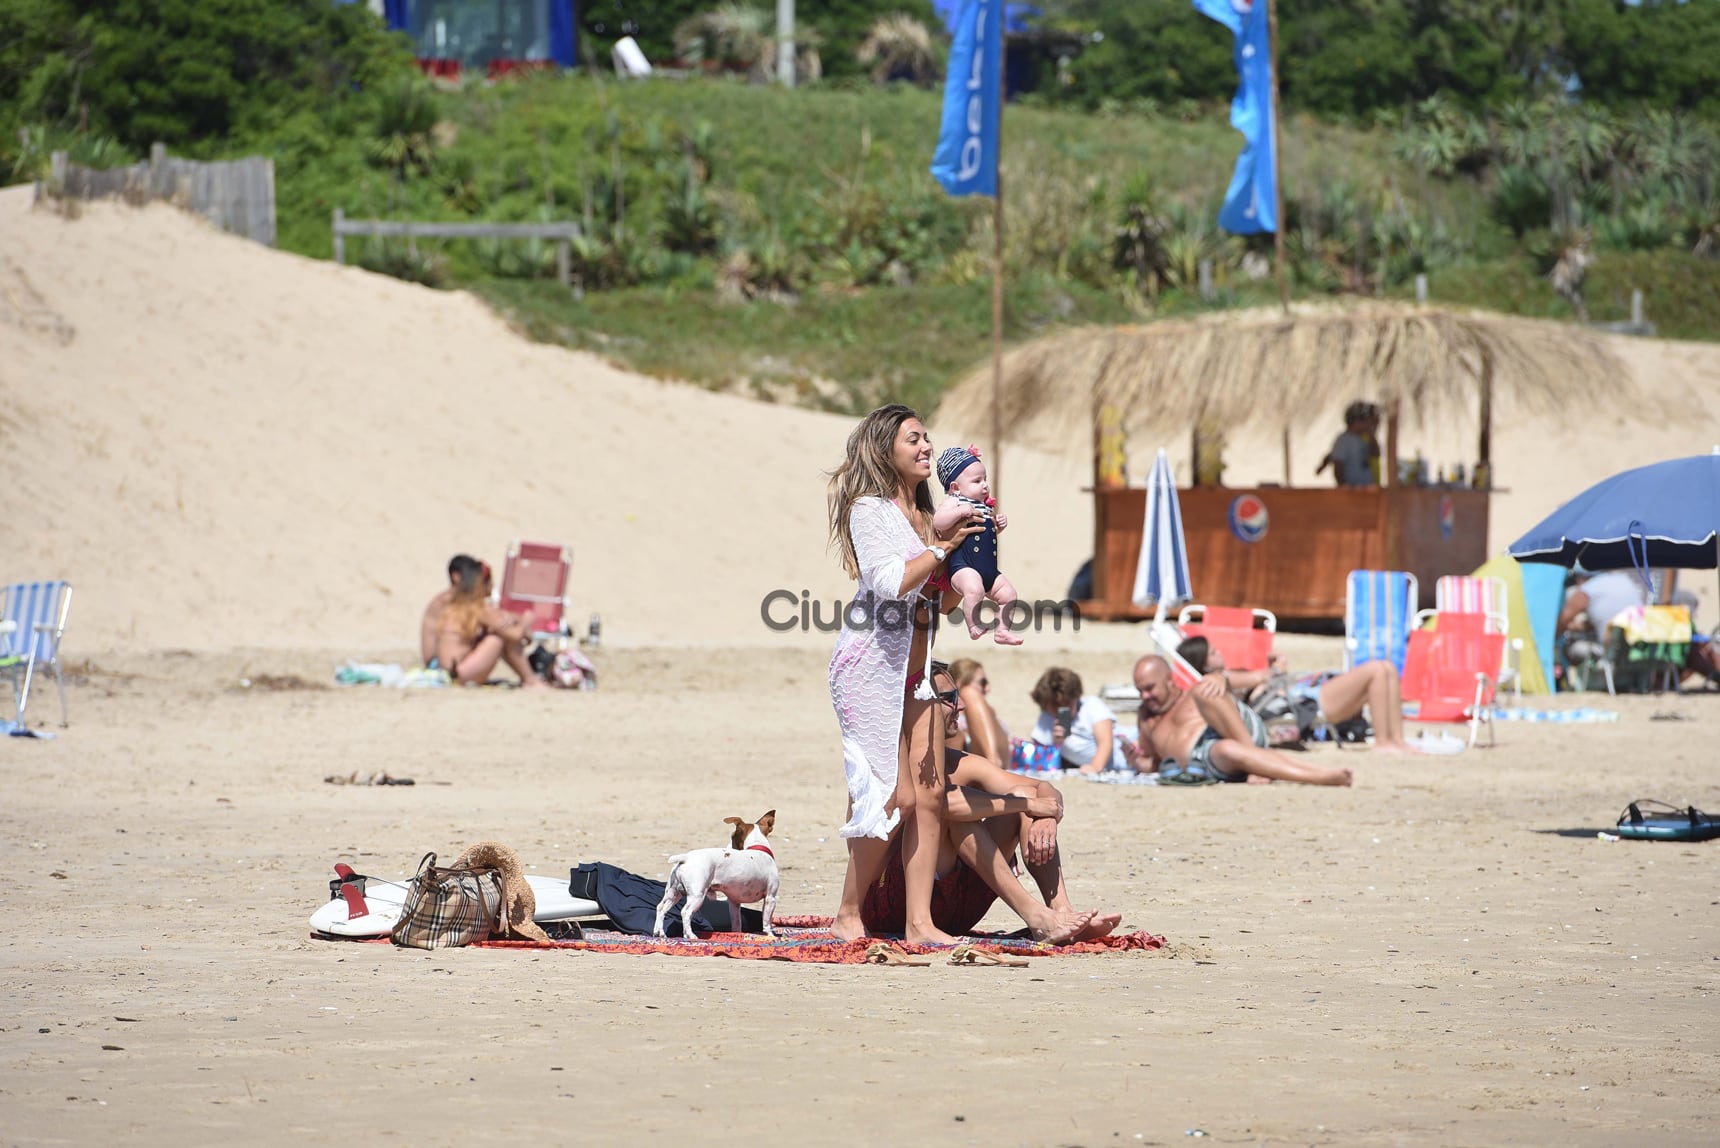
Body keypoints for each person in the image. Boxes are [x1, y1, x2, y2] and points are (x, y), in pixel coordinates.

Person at [826, 404, 990, 946]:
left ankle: (921, 923)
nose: (925, 448)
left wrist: (968, 576)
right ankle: (849, 912)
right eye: (913, 439)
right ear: (885, 449)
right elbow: (889, 582)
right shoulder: (869, 509)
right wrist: (941, 549)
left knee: (928, 795)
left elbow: (932, 604)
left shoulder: (929, 513)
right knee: (888, 793)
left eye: (927, 439)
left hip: (916, 671)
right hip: (869, 667)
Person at [861, 664, 1117, 943]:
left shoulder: (958, 760)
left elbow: (1044, 788)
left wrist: (1046, 815)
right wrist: (1023, 803)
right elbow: (939, 805)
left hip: (958, 905)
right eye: (949, 699)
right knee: (968, 816)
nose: (960, 707)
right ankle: (1036, 917)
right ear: (919, 707)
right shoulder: (895, 760)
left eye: (959, 695)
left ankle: (1061, 913)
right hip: (894, 903)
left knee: (1022, 799)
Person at [1126, 655, 1353, 785]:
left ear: (1169, 679)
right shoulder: (1146, 718)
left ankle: (1263, 762)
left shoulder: (1191, 695)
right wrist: (1136, 762)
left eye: (1149, 689)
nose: (1145, 697)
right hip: (1205, 759)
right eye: (1139, 691)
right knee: (1227, 750)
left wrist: (1219, 678)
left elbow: (1239, 682)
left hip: (1240, 731)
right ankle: (1322, 776)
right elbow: (1154, 764)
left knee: (1204, 689)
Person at [1176, 635, 1420, 752]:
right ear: (1204, 664)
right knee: (1377, 670)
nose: (1220, 652)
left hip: (1304, 697)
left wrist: (1274, 667)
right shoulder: (1217, 680)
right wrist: (1275, 667)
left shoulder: (1224, 677)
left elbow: (1266, 676)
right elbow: (1263, 676)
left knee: (1386, 668)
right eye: (1213, 652)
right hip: (1308, 702)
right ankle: (1384, 741)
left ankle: (1397, 740)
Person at [932, 445, 1021, 644]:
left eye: (985, 479)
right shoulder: (954, 502)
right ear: (955, 488)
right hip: (963, 566)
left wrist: (998, 525)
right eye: (977, 481)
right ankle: (973, 625)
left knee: (1009, 594)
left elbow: (984, 531)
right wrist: (960, 512)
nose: (985, 486)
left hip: (989, 570)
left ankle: (1002, 630)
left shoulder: (983, 506)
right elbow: (939, 521)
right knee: (974, 590)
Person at [434, 559, 547, 688]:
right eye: (489, 582)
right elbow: (515, 635)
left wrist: (515, 621)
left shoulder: (459, 605)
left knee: (497, 633)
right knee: (498, 638)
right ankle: (530, 680)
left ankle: (529, 679)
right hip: (461, 673)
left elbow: (504, 618)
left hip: (447, 672)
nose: (492, 586)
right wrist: (526, 621)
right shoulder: (479, 609)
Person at [1027, 667, 1128, 773]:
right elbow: (1041, 755)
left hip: (1122, 759)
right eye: (1054, 706)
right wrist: (1056, 744)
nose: (1060, 710)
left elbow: (1105, 742)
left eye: (1066, 705)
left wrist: (1095, 767)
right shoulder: (1046, 718)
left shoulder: (1092, 706)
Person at [421, 553, 484, 667]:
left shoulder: (451, 599)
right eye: (472, 578)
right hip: (436, 664)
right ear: (456, 577)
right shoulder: (447, 601)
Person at [948, 658, 1007, 766]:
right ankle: (994, 763)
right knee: (970, 693)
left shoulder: (989, 712)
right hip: (972, 756)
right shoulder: (952, 718)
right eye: (983, 683)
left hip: (997, 759)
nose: (988, 689)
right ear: (959, 683)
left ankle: (994, 764)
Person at [1316, 401, 1381, 488]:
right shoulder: (1344, 441)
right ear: (1357, 422)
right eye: (1369, 422)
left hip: (1367, 489)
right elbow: (1338, 465)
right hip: (1351, 491)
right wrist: (1343, 486)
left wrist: (1372, 436)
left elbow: (1375, 454)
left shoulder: (1366, 439)